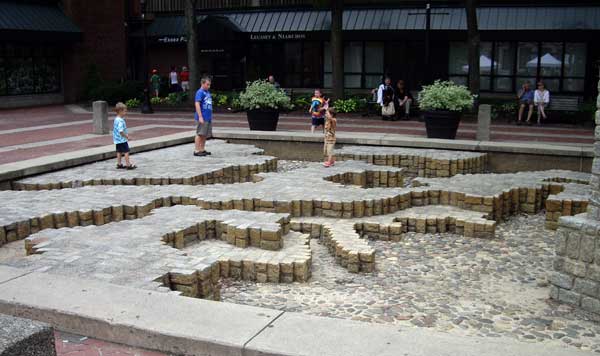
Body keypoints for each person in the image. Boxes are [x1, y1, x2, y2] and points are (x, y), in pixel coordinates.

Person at [194, 76, 213, 157]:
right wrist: (200, 116)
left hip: (208, 117)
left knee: (204, 134)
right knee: (200, 133)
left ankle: (202, 149)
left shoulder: (207, 92)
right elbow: (197, 104)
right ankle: (196, 150)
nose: (209, 86)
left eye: (209, 85)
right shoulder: (200, 92)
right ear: (202, 83)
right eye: (207, 84)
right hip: (202, 117)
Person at [113, 102, 136, 170]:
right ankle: (128, 164)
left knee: (119, 151)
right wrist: (127, 137)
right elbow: (121, 131)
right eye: (125, 111)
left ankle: (119, 164)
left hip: (117, 139)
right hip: (122, 139)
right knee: (126, 151)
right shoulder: (120, 121)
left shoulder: (116, 119)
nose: (126, 112)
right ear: (120, 111)